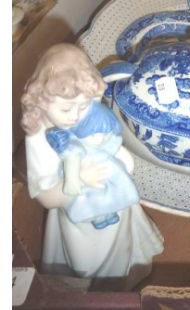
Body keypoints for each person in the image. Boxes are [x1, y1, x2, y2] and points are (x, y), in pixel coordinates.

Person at [21, 43, 164, 286]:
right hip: (81, 219)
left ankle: (128, 274)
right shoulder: (40, 139)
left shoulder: (89, 113)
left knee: (123, 243)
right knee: (89, 262)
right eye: (66, 108)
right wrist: (77, 179)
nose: (76, 116)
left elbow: (108, 140)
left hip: (115, 200)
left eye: (84, 105)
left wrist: (118, 157)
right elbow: (45, 197)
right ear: (42, 100)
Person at [45, 100, 140, 230]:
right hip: (87, 182)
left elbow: (116, 149)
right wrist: (78, 178)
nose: (100, 139)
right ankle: (98, 217)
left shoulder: (106, 142)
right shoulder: (75, 149)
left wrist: (126, 164)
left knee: (112, 196)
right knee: (92, 201)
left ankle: (111, 210)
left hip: (110, 176)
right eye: (94, 135)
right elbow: (70, 174)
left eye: (105, 134)